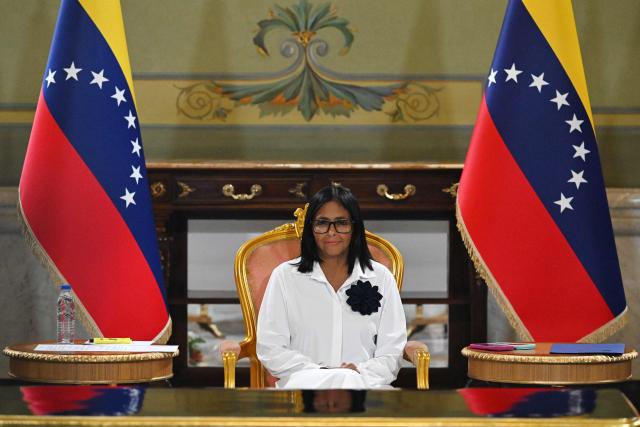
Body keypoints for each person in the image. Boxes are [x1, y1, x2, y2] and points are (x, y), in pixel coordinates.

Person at [256, 184, 407, 389]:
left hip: (366, 387)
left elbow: (392, 351)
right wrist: (320, 374)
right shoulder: (284, 277)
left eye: (341, 223)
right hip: (303, 386)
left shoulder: (381, 278)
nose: (331, 232)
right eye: (322, 223)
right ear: (311, 228)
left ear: (355, 227)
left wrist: (358, 373)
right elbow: (270, 347)